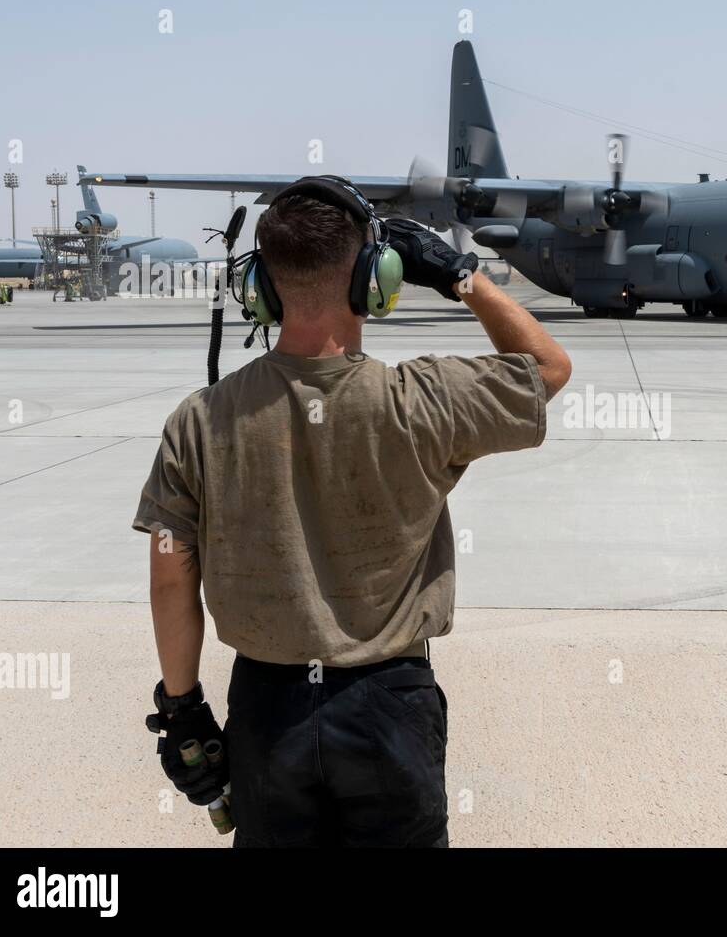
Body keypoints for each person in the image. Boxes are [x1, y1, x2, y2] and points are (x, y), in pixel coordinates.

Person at [134, 177, 571, 847]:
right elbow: (548, 367)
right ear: (377, 279)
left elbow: (170, 579)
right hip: (388, 707)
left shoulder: (199, 421)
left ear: (262, 287)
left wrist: (183, 708)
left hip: (266, 710)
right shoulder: (427, 399)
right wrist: (460, 276)